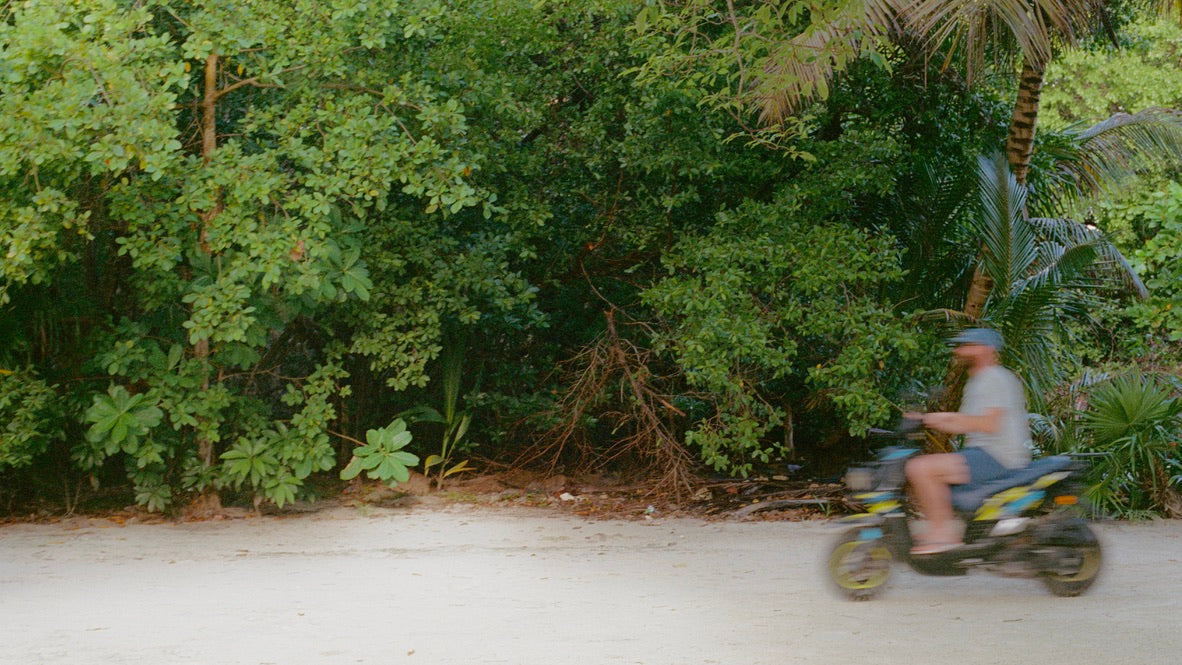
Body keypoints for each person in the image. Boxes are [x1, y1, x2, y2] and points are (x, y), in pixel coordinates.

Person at [905, 327, 1032, 555]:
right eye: (962, 346)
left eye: (970, 346)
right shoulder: (977, 381)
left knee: (921, 468)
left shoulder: (994, 377)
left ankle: (943, 536)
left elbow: (988, 424)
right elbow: (963, 424)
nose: (961, 351)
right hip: (982, 454)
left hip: (998, 456)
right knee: (925, 467)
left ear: (988, 349)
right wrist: (926, 419)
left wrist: (941, 418)